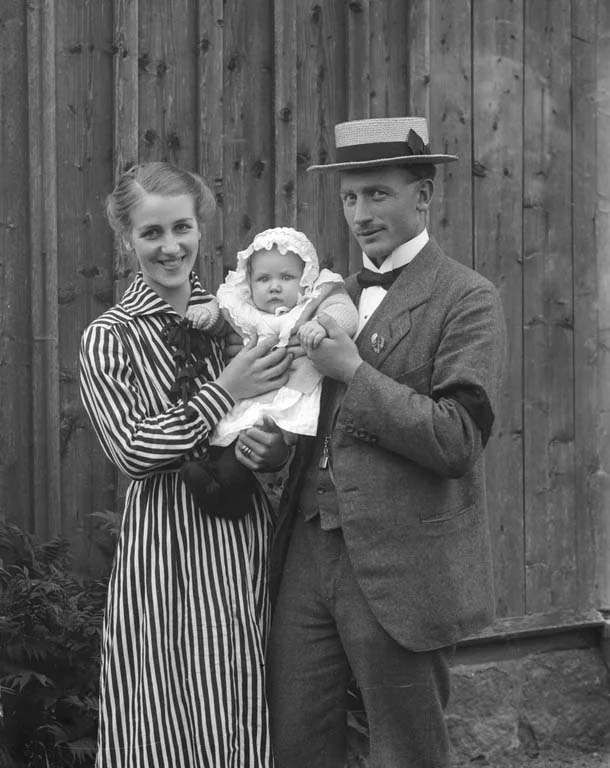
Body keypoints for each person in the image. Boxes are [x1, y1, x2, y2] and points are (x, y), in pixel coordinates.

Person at [265, 117, 508, 768]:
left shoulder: (467, 299)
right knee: (297, 746)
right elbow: (306, 418)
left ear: (422, 196)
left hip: (404, 567)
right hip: (307, 556)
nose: (360, 212)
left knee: (407, 753)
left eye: (378, 194)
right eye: (350, 197)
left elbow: (457, 438)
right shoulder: (329, 297)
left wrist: (353, 372)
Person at [79, 161, 290, 768]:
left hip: (242, 535)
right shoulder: (110, 336)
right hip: (164, 547)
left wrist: (274, 454)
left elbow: (282, 411)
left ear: (201, 230)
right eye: (152, 234)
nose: (170, 247)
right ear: (127, 240)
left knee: (243, 693)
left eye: (182, 229)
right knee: (164, 707)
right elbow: (133, 450)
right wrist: (224, 389)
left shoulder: (242, 320)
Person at [180, 226, 359, 516]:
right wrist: (207, 316)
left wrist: (323, 324)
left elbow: (345, 312)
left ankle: (230, 490)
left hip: (292, 390)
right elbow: (222, 318)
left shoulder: (314, 302)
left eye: (286, 277)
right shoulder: (247, 310)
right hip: (250, 395)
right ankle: (215, 480)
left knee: (261, 440)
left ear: (306, 280)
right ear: (249, 283)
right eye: (263, 279)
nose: (274, 286)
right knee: (232, 436)